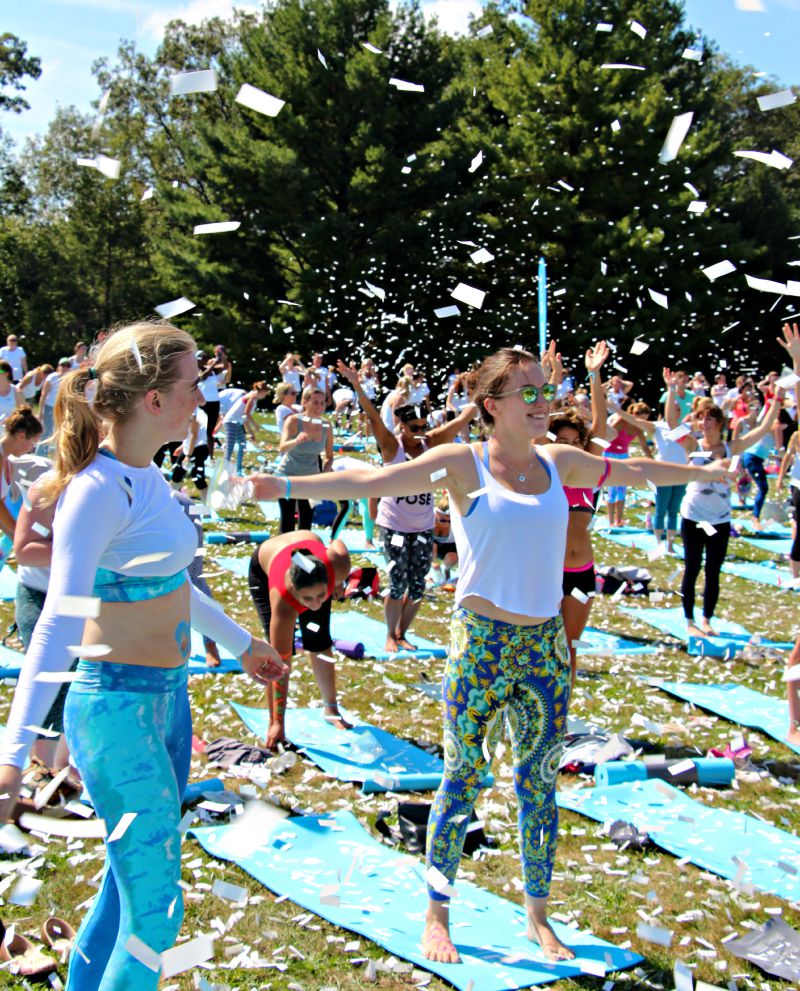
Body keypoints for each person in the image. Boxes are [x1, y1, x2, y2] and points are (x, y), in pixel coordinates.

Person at [247, 345, 727, 965]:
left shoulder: (560, 462)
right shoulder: (462, 464)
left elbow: (635, 473)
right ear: (491, 405)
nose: (541, 401)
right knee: (464, 775)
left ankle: (537, 917)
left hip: (546, 646)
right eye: (526, 393)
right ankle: (436, 915)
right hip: (481, 645)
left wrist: (705, 476)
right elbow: (371, 479)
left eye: (543, 391)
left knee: (539, 783)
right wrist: (284, 484)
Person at [0, 322, 286, 990]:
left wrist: (243, 643)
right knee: (157, 910)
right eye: (193, 384)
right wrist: (14, 753)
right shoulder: (97, 491)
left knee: (126, 888)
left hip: (167, 702)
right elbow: (56, 625)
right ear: (153, 399)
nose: (205, 396)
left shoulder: (146, 473)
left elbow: (171, 584)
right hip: (116, 710)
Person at [337, 358, 475, 652]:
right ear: (402, 424)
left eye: (424, 426)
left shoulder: (431, 443)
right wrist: (358, 385)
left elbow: (462, 420)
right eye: (414, 427)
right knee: (397, 584)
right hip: (394, 527)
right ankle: (390, 634)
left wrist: (486, 394)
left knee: (418, 587)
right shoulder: (392, 446)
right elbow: (373, 417)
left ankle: (402, 632)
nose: (420, 432)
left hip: (423, 527)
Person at [679, 330, 796, 638]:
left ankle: (707, 619)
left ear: (719, 422)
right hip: (693, 517)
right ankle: (689, 619)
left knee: (713, 571)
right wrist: (671, 390)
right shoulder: (693, 446)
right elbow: (668, 424)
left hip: (718, 519)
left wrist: (777, 399)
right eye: (700, 418)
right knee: (692, 569)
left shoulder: (733, 447)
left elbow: (766, 426)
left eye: (709, 419)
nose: (703, 422)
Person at [545, 341, 611, 686]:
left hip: (582, 573)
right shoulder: (546, 471)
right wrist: (552, 381)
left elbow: (599, 424)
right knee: (541, 645)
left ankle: (561, 716)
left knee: (569, 647)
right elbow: (540, 425)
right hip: (545, 571)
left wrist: (595, 374)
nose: (569, 447)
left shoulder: (589, 473)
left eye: (575, 442)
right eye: (563, 441)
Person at [248, 531, 352, 748]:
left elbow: (338, 543)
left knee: (319, 639)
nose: (314, 604)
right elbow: (279, 662)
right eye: (308, 599)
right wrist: (277, 723)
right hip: (266, 564)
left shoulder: (338, 566)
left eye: (320, 596)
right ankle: (273, 720)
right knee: (277, 651)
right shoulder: (283, 600)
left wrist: (339, 581)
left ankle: (331, 708)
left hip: (308, 551)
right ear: (295, 591)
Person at [609, 368, 693, 552]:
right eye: (674, 407)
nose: (676, 410)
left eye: (679, 408)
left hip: (681, 474)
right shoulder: (658, 427)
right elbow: (632, 419)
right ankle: (659, 542)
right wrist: (615, 409)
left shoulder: (686, 429)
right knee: (661, 509)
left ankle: (670, 544)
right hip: (662, 474)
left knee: (674, 510)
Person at [276, 385, 333, 533]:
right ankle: (285, 553)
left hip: (310, 478)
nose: (319, 407)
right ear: (305, 402)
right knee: (287, 521)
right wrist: (296, 441)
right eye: (315, 402)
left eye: (322, 403)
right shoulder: (294, 420)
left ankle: (304, 552)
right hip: (288, 474)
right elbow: (282, 447)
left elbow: (329, 457)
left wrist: (323, 475)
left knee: (306, 521)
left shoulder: (326, 425)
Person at [603, 400, 653, 527]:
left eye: (645, 420)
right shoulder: (621, 421)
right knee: (612, 488)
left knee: (622, 488)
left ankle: (619, 520)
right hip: (610, 455)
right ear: (635, 415)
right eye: (642, 419)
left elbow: (644, 447)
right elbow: (606, 434)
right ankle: (610, 521)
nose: (643, 423)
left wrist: (653, 462)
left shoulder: (639, 429)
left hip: (624, 456)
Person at [221, 381, 267, 475]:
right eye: (265, 393)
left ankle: (238, 469)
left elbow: (244, 418)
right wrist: (255, 425)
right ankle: (224, 470)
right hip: (230, 422)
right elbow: (246, 414)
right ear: (262, 391)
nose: (265, 396)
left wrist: (251, 432)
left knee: (242, 445)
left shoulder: (253, 397)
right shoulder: (251, 397)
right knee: (230, 447)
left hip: (237, 422)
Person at [36, 357, 72, 454]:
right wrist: (40, 412)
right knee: (46, 432)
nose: (65, 368)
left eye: (68, 366)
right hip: (49, 407)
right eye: (63, 365)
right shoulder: (52, 377)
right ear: (59, 366)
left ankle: (57, 456)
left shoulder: (69, 379)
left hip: (62, 408)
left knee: (60, 433)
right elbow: (43, 395)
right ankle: (40, 454)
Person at [0, 359, 23, 425]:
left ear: (6, 373)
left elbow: (24, 413)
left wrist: (10, 420)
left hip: (11, 431)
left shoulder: (16, 391)